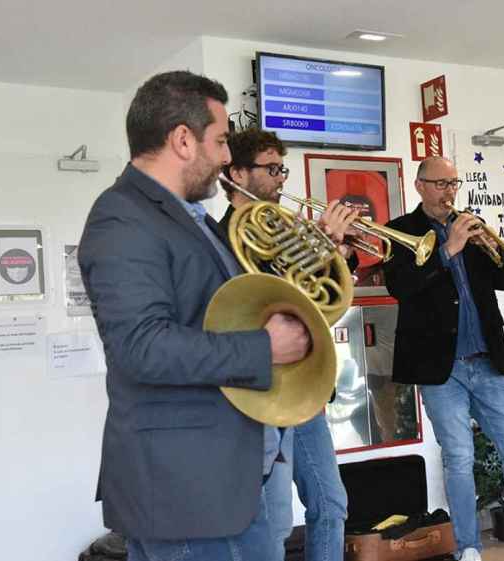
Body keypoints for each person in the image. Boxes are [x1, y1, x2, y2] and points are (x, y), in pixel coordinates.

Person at [78, 70, 312, 561]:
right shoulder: (121, 217)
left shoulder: (190, 217)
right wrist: (265, 347)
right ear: (183, 140)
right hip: (184, 492)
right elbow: (141, 348)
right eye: (222, 141)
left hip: (229, 479)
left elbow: (228, 308)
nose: (228, 157)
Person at [381, 156, 504, 561]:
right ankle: (468, 548)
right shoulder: (400, 231)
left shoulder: (471, 223)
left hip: (486, 360)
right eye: (441, 183)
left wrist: (494, 248)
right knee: (460, 457)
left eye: (454, 183)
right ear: (420, 186)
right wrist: (448, 250)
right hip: (438, 367)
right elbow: (402, 287)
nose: (450, 191)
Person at [219, 127, 356, 561]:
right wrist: (321, 247)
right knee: (274, 525)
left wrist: (327, 254)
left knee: (332, 504)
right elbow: (263, 305)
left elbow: (318, 307)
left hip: (303, 391)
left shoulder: (286, 230)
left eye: (283, 168)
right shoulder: (222, 240)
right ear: (237, 173)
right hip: (264, 397)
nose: (281, 179)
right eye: (272, 168)